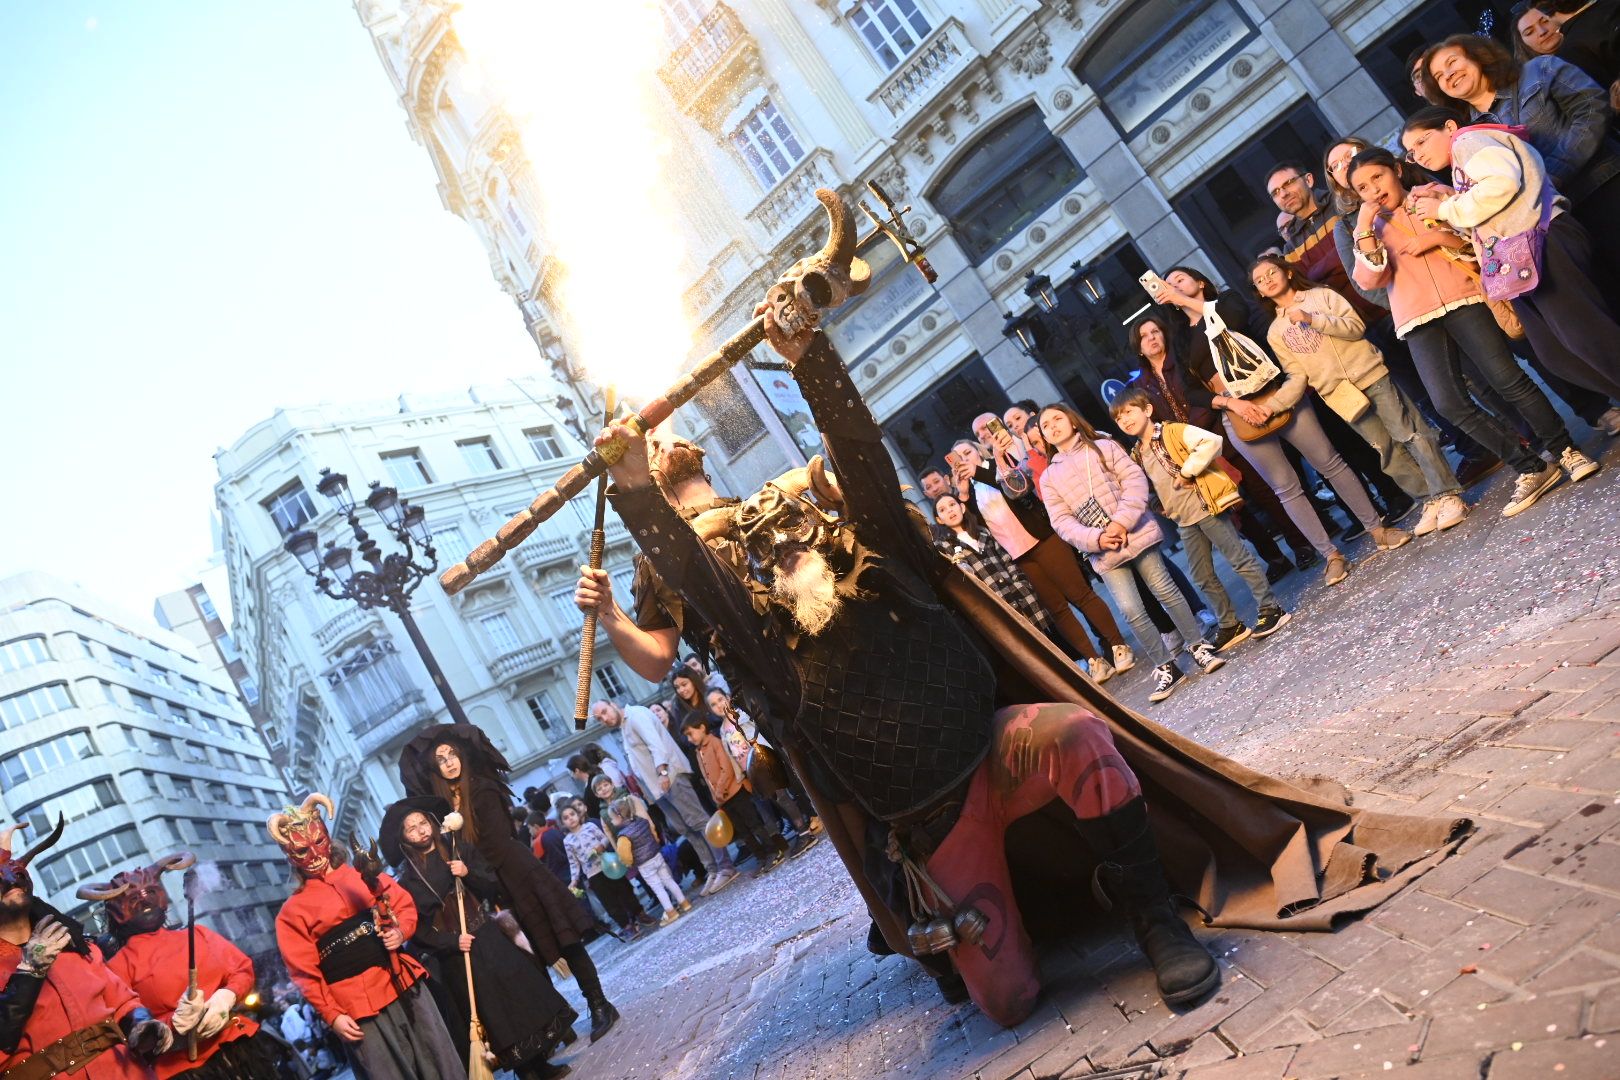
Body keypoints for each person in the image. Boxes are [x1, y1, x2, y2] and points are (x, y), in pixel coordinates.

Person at [599, 266, 1467, 1028]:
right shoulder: (766, 648)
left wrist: (809, 360)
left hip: (998, 749)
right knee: (1008, 1002)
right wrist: (638, 495)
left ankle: (1152, 913)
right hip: (931, 816)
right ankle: (1045, 903)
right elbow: (708, 601)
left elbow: (863, 468)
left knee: (1084, 740)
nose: (782, 549)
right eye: (761, 554)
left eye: (791, 534)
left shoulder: (873, 559)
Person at [1350, 141, 1602, 507]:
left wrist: (1439, 237)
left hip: (1463, 298)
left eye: (1378, 177)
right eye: (1362, 187)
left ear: (1396, 171)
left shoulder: (1432, 194)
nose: (1373, 190)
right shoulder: (1367, 230)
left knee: (1507, 380)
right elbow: (1370, 280)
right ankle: (1530, 467)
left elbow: (1481, 240)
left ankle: (1565, 450)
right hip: (1416, 318)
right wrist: (1362, 227)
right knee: (1448, 404)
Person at [1149, 270, 1410, 586]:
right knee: (1285, 488)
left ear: (1199, 281)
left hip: (1278, 392)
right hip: (1237, 411)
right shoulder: (1179, 338)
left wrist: (1181, 300)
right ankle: (1331, 555)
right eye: (1169, 284)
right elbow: (1191, 389)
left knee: (1330, 462)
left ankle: (1377, 528)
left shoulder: (1227, 301)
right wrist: (1232, 404)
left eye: (1179, 278)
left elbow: (1234, 318)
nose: (1173, 285)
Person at [397, 728, 618, 1044]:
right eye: (441, 759)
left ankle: (599, 1004)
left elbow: (496, 842)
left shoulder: (483, 789)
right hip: (489, 886)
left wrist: (470, 866)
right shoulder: (443, 809)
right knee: (527, 957)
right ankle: (556, 1023)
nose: (448, 763)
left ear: (462, 755)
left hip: (517, 873)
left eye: (452, 755)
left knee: (562, 938)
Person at [1404, 107, 1620, 411]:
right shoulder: (1463, 156)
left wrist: (1444, 210)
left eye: (1421, 142)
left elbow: (1502, 184)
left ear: (1449, 126)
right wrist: (1448, 199)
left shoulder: (1468, 142)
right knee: (1557, 351)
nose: (1418, 155)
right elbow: (1491, 206)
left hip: (1542, 240)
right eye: (1411, 152)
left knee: (1584, 339)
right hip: (1523, 254)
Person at [1251, 253, 1470, 536]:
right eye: (1259, 281)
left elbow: (1356, 328)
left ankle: (1448, 494)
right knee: (1385, 451)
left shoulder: (1322, 296)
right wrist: (1274, 405)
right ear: (1257, 291)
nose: (1267, 281)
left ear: (1287, 273)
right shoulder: (1275, 332)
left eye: (1271, 273)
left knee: (1410, 434)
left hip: (1370, 375)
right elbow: (1297, 375)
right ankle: (1429, 499)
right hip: (1339, 396)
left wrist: (1312, 319)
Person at [1037, 403, 1228, 703]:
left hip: (1135, 532)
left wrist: (1120, 523)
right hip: (1103, 550)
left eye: (1057, 418)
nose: (1052, 426)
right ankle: (1166, 667)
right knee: (1130, 609)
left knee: (1165, 589)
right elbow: (1061, 522)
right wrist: (1098, 538)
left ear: (1073, 421)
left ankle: (1197, 645)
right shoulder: (1048, 478)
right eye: (1045, 425)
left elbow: (1134, 481)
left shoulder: (1103, 446)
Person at [268, 794, 461, 1080]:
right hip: (355, 1006)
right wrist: (332, 1015)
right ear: (290, 855)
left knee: (440, 1060)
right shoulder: (291, 912)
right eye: (302, 849)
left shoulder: (361, 872)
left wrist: (400, 931)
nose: (314, 853)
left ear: (327, 837)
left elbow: (403, 906)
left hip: (402, 981)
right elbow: (305, 974)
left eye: (318, 842)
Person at [381, 797, 573, 1080]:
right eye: (412, 829)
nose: (421, 831)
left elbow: (490, 887)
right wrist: (451, 942)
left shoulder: (457, 849)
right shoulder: (407, 882)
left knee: (519, 998)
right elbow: (418, 932)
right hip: (459, 953)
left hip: (487, 934)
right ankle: (527, 1072)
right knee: (495, 1014)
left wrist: (467, 873)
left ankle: (540, 1063)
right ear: (404, 839)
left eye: (423, 823)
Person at [1128, 310, 1314, 579]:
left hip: (1219, 431)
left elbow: (1203, 394)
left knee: (1262, 490)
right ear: (1139, 347)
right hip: (1190, 453)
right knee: (1231, 508)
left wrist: (1195, 430)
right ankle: (1274, 558)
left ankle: (1301, 544)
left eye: (1155, 331)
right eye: (1144, 336)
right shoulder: (1142, 384)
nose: (1152, 338)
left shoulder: (1182, 359)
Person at [1110, 388, 1290, 651]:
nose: (1125, 420)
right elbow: (1148, 485)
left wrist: (1188, 470)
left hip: (1206, 506)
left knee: (1238, 558)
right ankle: (1230, 624)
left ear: (1147, 410)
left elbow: (1211, 442)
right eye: (1118, 418)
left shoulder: (1172, 431)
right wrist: (1160, 505)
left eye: (1129, 412)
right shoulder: (1137, 453)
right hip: (1184, 519)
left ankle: (1271, 608)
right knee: (1202, 575)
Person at [1422, 34, 1620, 268]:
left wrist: (1554, 172)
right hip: (1555, 225)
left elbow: (1592, 108)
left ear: (1478, 55)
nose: (1448, 74)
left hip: (1603, 184)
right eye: (1439, 76)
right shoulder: (1468, 135)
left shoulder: (1539, 70)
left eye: (1452, 62)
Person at [0, 819, 174, 1079]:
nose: (11, 880)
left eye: (16, 875)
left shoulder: (76, 946)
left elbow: (122, 1000)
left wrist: (140, 1022)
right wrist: (28, 973)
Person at [83, 853, 281, 1079]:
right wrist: (170, 1024)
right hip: (185, 1069)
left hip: (240, 1045)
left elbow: (241, 969)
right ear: (117, 911)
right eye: (133, 898)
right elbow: (127, 1019)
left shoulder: (197, 934)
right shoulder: (116, 967)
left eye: (149, 893)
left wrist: (226, 996)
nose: (144, 901)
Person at [949, 439, 1134, 677]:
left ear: (979, 451)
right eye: (958, 457)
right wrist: (963, 492)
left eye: (967, 452)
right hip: (1018, 556)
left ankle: (1118, 645)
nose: (964, 459)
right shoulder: (971, 490)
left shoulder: (999, 464)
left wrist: (980, 472)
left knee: (1081, 595)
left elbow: (1018, 489)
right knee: (1057, 610)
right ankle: (1094, 660)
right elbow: (972, 525)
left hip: (1044, 539)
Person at [589, 700, 740, 896]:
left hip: (670, 778)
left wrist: (662, 772)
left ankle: (725, 866)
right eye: (600, 718)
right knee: (686, 829)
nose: (604, 718)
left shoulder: (635, 715)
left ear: (612, 704)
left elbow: (656, 743)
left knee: (699, 822)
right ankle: (712, 868)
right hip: (657, 789)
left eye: (604, 712)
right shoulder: (624, 726)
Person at [706, 687, 822, 847]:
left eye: (720, 699)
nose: (719, 705)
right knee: (777, 800)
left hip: (764, 761)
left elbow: (757, 733)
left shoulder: (740, 714)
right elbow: (731, 755)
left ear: (727, 697)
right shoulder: (722, 729)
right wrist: (741, 776)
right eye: (713, 704)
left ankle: (804, 831)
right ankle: (800, 827)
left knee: (783, 796)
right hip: (752, 771)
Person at [682, 715, 791, 876]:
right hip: (724, 801)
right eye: (687, 736)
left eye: (690, 734)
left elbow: (726, 768)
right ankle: (761, 857)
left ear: (702, 728)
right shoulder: (699, 752)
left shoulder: (714, 743)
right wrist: (715, 797)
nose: (689, 739)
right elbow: (706, 777)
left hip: (736, 792)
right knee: (743, 831)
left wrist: (719, 790)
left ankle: (773, 850)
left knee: (754, 824)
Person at [560, 805, 642, 938]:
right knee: (609, 902)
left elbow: (605, 837)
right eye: (566, 818)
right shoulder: (567, 841)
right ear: (563, 823)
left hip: (609, 865)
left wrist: (602, 845)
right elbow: (573, 862)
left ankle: (640, 913)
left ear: (578, 815)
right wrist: (574, 880)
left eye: (572, 814)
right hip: (593, 874)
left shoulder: (590, 826)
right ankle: (626, 926)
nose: (570, 819)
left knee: (624, 889)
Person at [607, 797, 689, 926]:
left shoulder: (623, 836)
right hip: (656, 855)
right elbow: (653, 835)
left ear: (619, 816)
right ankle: (684, 902)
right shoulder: (642, 821)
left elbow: (625, 856)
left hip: (644, 864)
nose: (611, 821)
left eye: (612, 818)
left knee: (657, 888)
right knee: (668, 880)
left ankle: (670, 912)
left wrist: (629, 864)